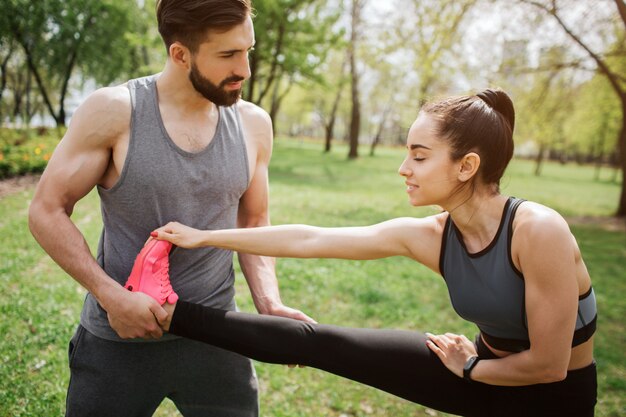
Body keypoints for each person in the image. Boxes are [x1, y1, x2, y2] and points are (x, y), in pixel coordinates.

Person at [132, 89, 597, 417]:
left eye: (419, 155)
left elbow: (550, 366)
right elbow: (311, 239)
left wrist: (472, 367)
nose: (403, 168)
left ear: (467, 166)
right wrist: (205, 236)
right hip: (477, 369)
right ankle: (168, 312)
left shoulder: (538, 231)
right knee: (316, 341)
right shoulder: (431, 234)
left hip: (548, 398)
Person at [27, 1, 313, 416]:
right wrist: (110, 296)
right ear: (180, 54)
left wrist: (268, 301)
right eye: (228, 55)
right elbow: (46, 209)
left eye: (247, 50)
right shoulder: (115, 112)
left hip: (218, 338)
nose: (245, 69)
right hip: (118, 339)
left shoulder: (253, 124)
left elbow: (252, 220)